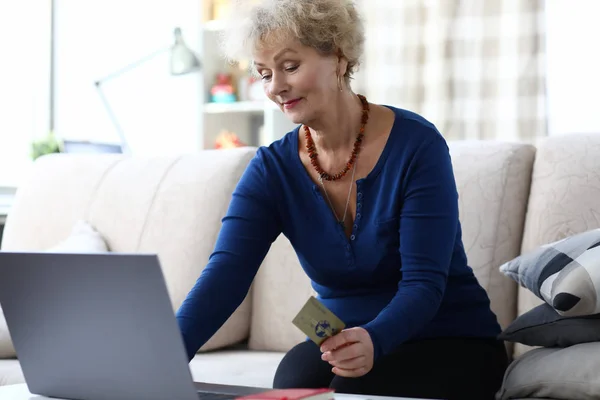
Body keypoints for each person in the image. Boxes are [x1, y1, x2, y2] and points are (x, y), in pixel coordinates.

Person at [176, 0, 508, 398]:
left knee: (357, 386)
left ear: (338, 56)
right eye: (264, 73)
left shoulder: (417, 146)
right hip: (341, 341)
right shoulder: (271, 170)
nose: (275, 87)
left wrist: (375, 340)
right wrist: (162, 355)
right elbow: (224, 277)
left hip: (448, 335)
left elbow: (424, 284)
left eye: (290, 66)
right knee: (293, 379)